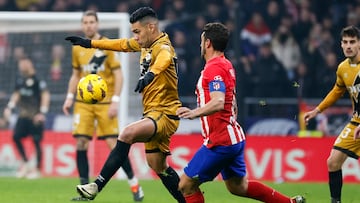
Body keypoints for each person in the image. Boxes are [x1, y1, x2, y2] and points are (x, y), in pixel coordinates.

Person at [65, 7, 185, 203]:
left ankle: (96, 186)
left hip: (165, 114)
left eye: (137, 32)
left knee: (126, 134)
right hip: (153, 113)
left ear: (151, 27)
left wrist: (151, 74)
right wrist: (89, 43)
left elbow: (164, 59)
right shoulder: (146, 44)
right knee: (158, 166)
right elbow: (120, 44)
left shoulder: (163, 46)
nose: (135, 37)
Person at [176, 22, 306, 203]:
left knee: (186, 185)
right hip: (234, 138)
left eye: (201, 40)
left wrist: (194, 112)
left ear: (207, 43)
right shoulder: (226, 64)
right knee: (238, 187)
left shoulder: (213, 68)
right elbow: (228, 99)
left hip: (220, 141)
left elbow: (219, 101)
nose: (200, 44)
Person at [62, 10, 144, 202]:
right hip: (83, 103)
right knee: (81, 141)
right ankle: (84, 189)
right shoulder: (77, 48)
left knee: (113, 145)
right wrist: (68, 96)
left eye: (92, 22)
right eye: (85, 22)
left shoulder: (106, 45)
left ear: (97, 24)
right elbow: (76, 75)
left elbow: (118, 75)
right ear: (82, 25)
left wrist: (115, 101)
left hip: (105, 103)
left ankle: (134, 185)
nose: (88, 25)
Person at [305, 25, 360, 203]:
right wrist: (317, 110)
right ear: (341, 45)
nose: (349, 46)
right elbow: (337, 91)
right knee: (333, 162)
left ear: (359, 44)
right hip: (356, 122)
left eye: (353, 42)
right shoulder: (343, 68)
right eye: (345, 42)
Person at [3, 57, 50, 179]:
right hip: (23, 115)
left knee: (36, 141)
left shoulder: (38, 80)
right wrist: (10, 107)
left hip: (36, 116)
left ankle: (37, 170)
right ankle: (25, 163)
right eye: (20, 64)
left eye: (23, 63)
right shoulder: (20, 80)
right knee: (16, 137)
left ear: (29, 64)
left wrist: (42, 113)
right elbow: (16, 95)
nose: (21, 66)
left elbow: (45, 95)